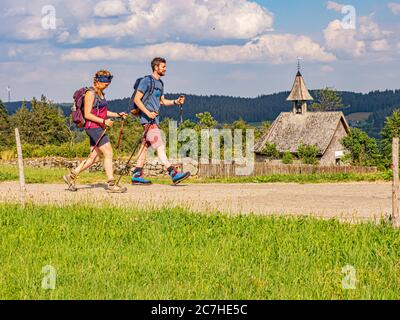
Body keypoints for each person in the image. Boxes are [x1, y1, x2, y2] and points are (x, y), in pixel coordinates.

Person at [63, 70, 128, 193]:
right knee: (108, 153)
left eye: (108, 82)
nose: (107, 84)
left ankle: (71, 176)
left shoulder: (101, 93)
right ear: (97, 81)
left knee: (95, 157)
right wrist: (104, 122)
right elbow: (87, 114)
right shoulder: (90, 93)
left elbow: (103, 112)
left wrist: (117, 115)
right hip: (93, 127)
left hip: (98, 127)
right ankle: (111, 184)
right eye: (105, 82)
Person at [131, 57, 190, 185]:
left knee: (145, 147)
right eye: (163, 67)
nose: (165, 69)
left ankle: (136, 174)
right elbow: (137, 99)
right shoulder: (147, 81)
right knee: (160, 145)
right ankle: (173, 173)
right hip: (147, 119)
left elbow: (162, 101)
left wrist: (175, 101)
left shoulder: (160, 84)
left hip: (154, 119)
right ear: (156, 67)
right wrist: (148, 113)